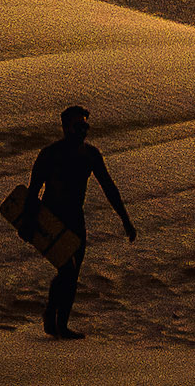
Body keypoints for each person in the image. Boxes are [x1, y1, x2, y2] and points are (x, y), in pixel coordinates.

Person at [22, 104, 137, 339]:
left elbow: (109, 187)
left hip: (76, 219)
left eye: (85, 127)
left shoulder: (91, 155)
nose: (83, 131)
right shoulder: (50, 154)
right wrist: (28, 223)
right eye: (78, 127)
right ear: (65, 127)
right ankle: (51, 316)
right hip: (51, 219)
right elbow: (33, 190)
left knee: (73, 275)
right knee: (66, 270)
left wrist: (125, 220)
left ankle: (61, 324)